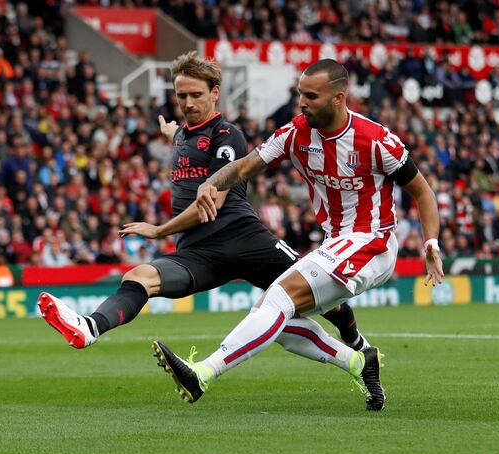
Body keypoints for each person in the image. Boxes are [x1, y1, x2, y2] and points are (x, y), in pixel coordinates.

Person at [38, 52, 372, 377]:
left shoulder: (227, 136)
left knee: (322, 296)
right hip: (199, 252)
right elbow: (185, 141)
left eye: (196, 94)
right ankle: (90, 327)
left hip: (245, 240)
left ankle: (358, 343)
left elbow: (208, 203)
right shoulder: (184, 134)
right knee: (139, 277)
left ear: (215, 93)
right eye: (181, 95)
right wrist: (174, 135)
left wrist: (158, 231)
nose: (188, 103)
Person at [152, 59, 444, 411]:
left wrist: (430, 242)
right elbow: (244, 166)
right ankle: (358, 360)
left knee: (277, 299)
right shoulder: (296, 132)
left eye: (311, 96)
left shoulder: (376, 139)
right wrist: (210, 183)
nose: (302, 103)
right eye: (299, 95)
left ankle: (203, 373)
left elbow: (422, 191)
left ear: (339, 98)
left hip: (373, 241)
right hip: (335, 242)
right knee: (272, 315)